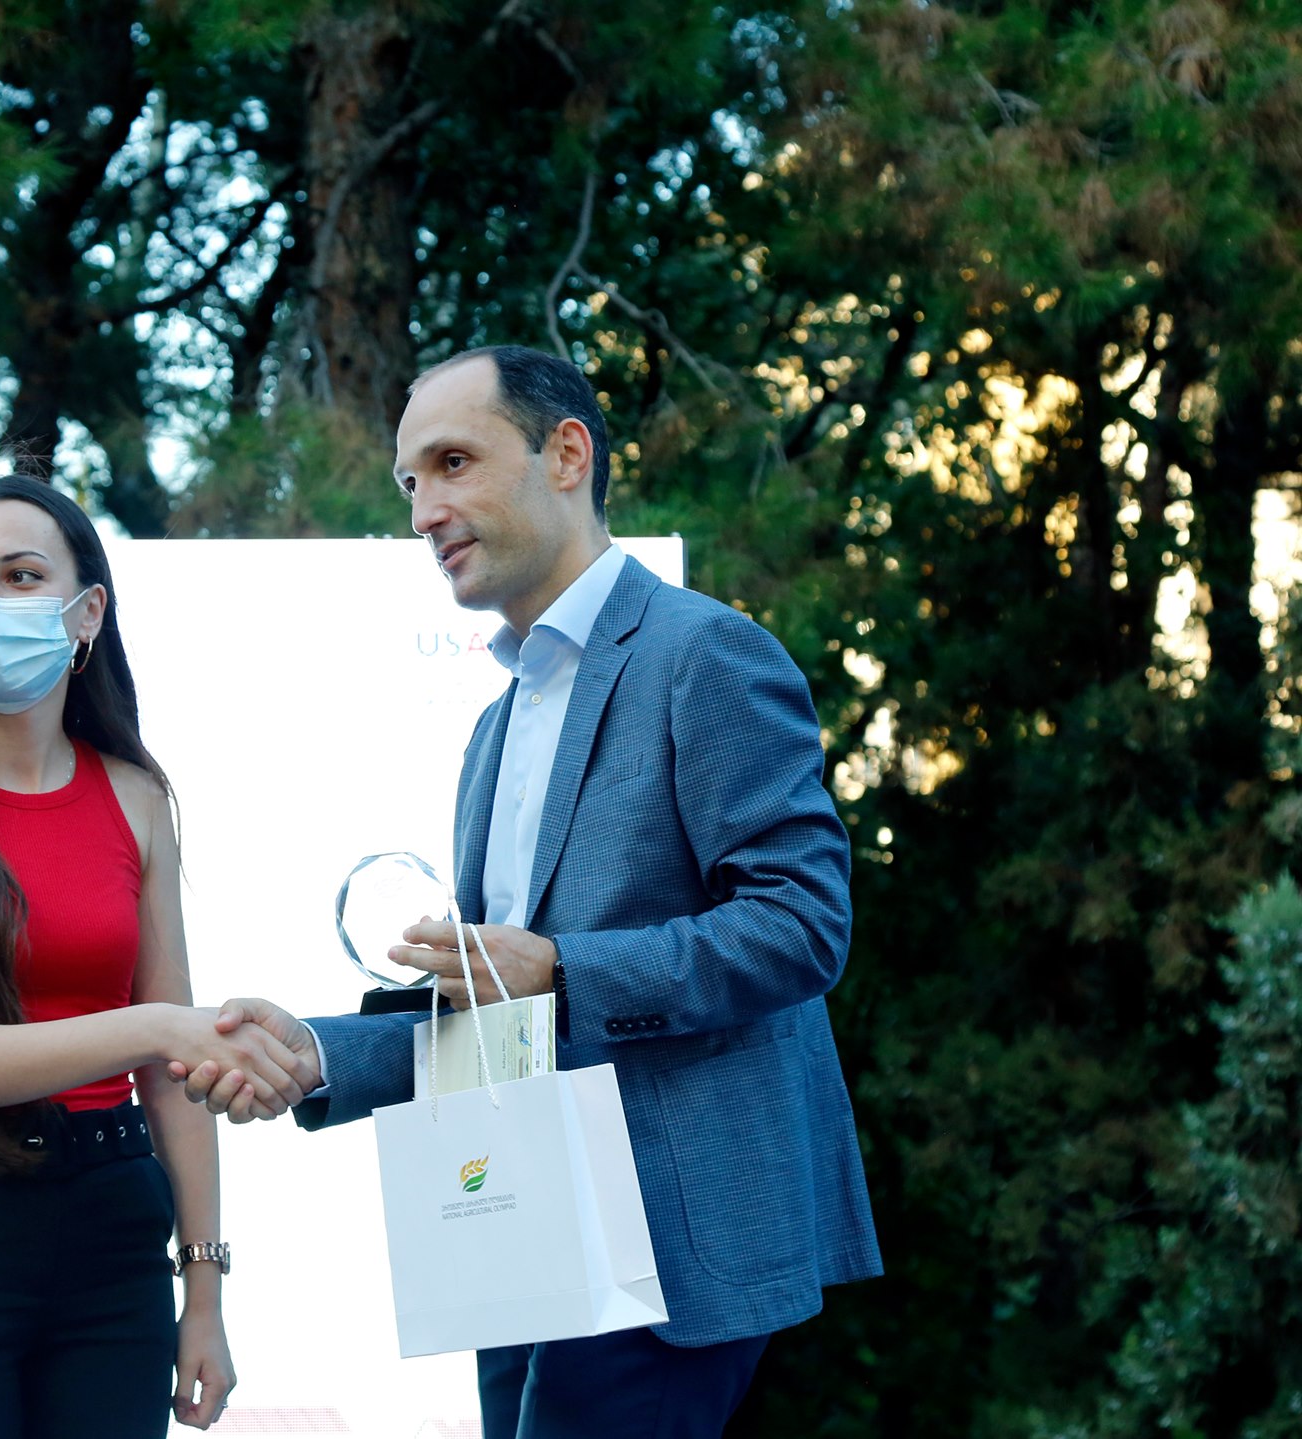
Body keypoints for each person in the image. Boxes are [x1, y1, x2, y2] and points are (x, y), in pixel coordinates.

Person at [173, 346, 883, 1438]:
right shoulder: (493, 730)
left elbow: (801, 926)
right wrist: (318, 1053)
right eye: (410, 482)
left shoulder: (706, 654)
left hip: (668, 1242)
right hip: (524, 1244)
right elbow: (498, 1012)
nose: (423, 512)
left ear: (566, 454)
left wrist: (559, 968)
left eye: (453, 463)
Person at [0, 475, 313, 1438]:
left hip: (109, 1230)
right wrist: (156, 1027)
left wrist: (204, 1292)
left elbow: (175, 1078)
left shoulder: (137, 796)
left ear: (87, 611)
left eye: (19, 575)